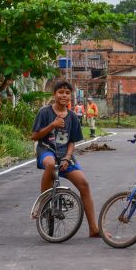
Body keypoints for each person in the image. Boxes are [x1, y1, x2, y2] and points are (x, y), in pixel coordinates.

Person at [31, 80, 99, 237]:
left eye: (67, 93)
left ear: (71, 96)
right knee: (50, 164)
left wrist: (67, 158)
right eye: (60, 92)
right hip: (47, 150)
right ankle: (43, 203)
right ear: (54, 94)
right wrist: (52, 125)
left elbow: (72, 141)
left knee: (84, 184)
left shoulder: (73, 117)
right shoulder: (45, 112)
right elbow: (34, 136)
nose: (64, 95)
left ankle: (93, 229)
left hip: (64, 155)